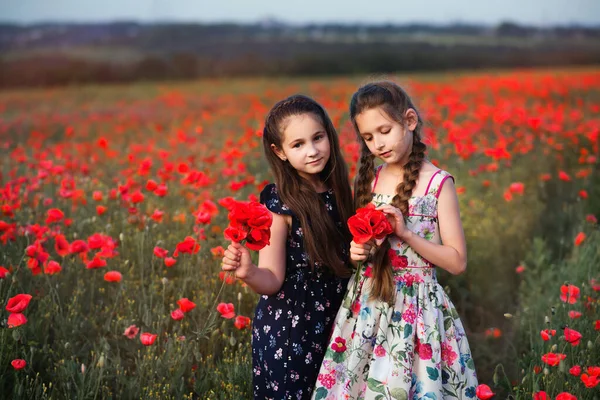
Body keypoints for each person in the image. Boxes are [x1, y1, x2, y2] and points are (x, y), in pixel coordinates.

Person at [312, 81, 478, 399]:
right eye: (368, 137)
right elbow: (359, 253)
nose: (377, 143)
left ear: (410, 121)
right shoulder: (370, 180)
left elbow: (457, 261)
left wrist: (406, 234)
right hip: (369, 303)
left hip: (418, 310)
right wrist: (359, 251)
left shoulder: (438, 184)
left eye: (384, 131)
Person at [222, 94, 354, 399]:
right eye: (298, 145)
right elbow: (272, 279)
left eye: (318, 138)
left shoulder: (341, 191)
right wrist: (249, 271)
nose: (312, 151)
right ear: (279, 151)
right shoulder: (281, 204)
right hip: (292, 329)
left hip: (339, 321)